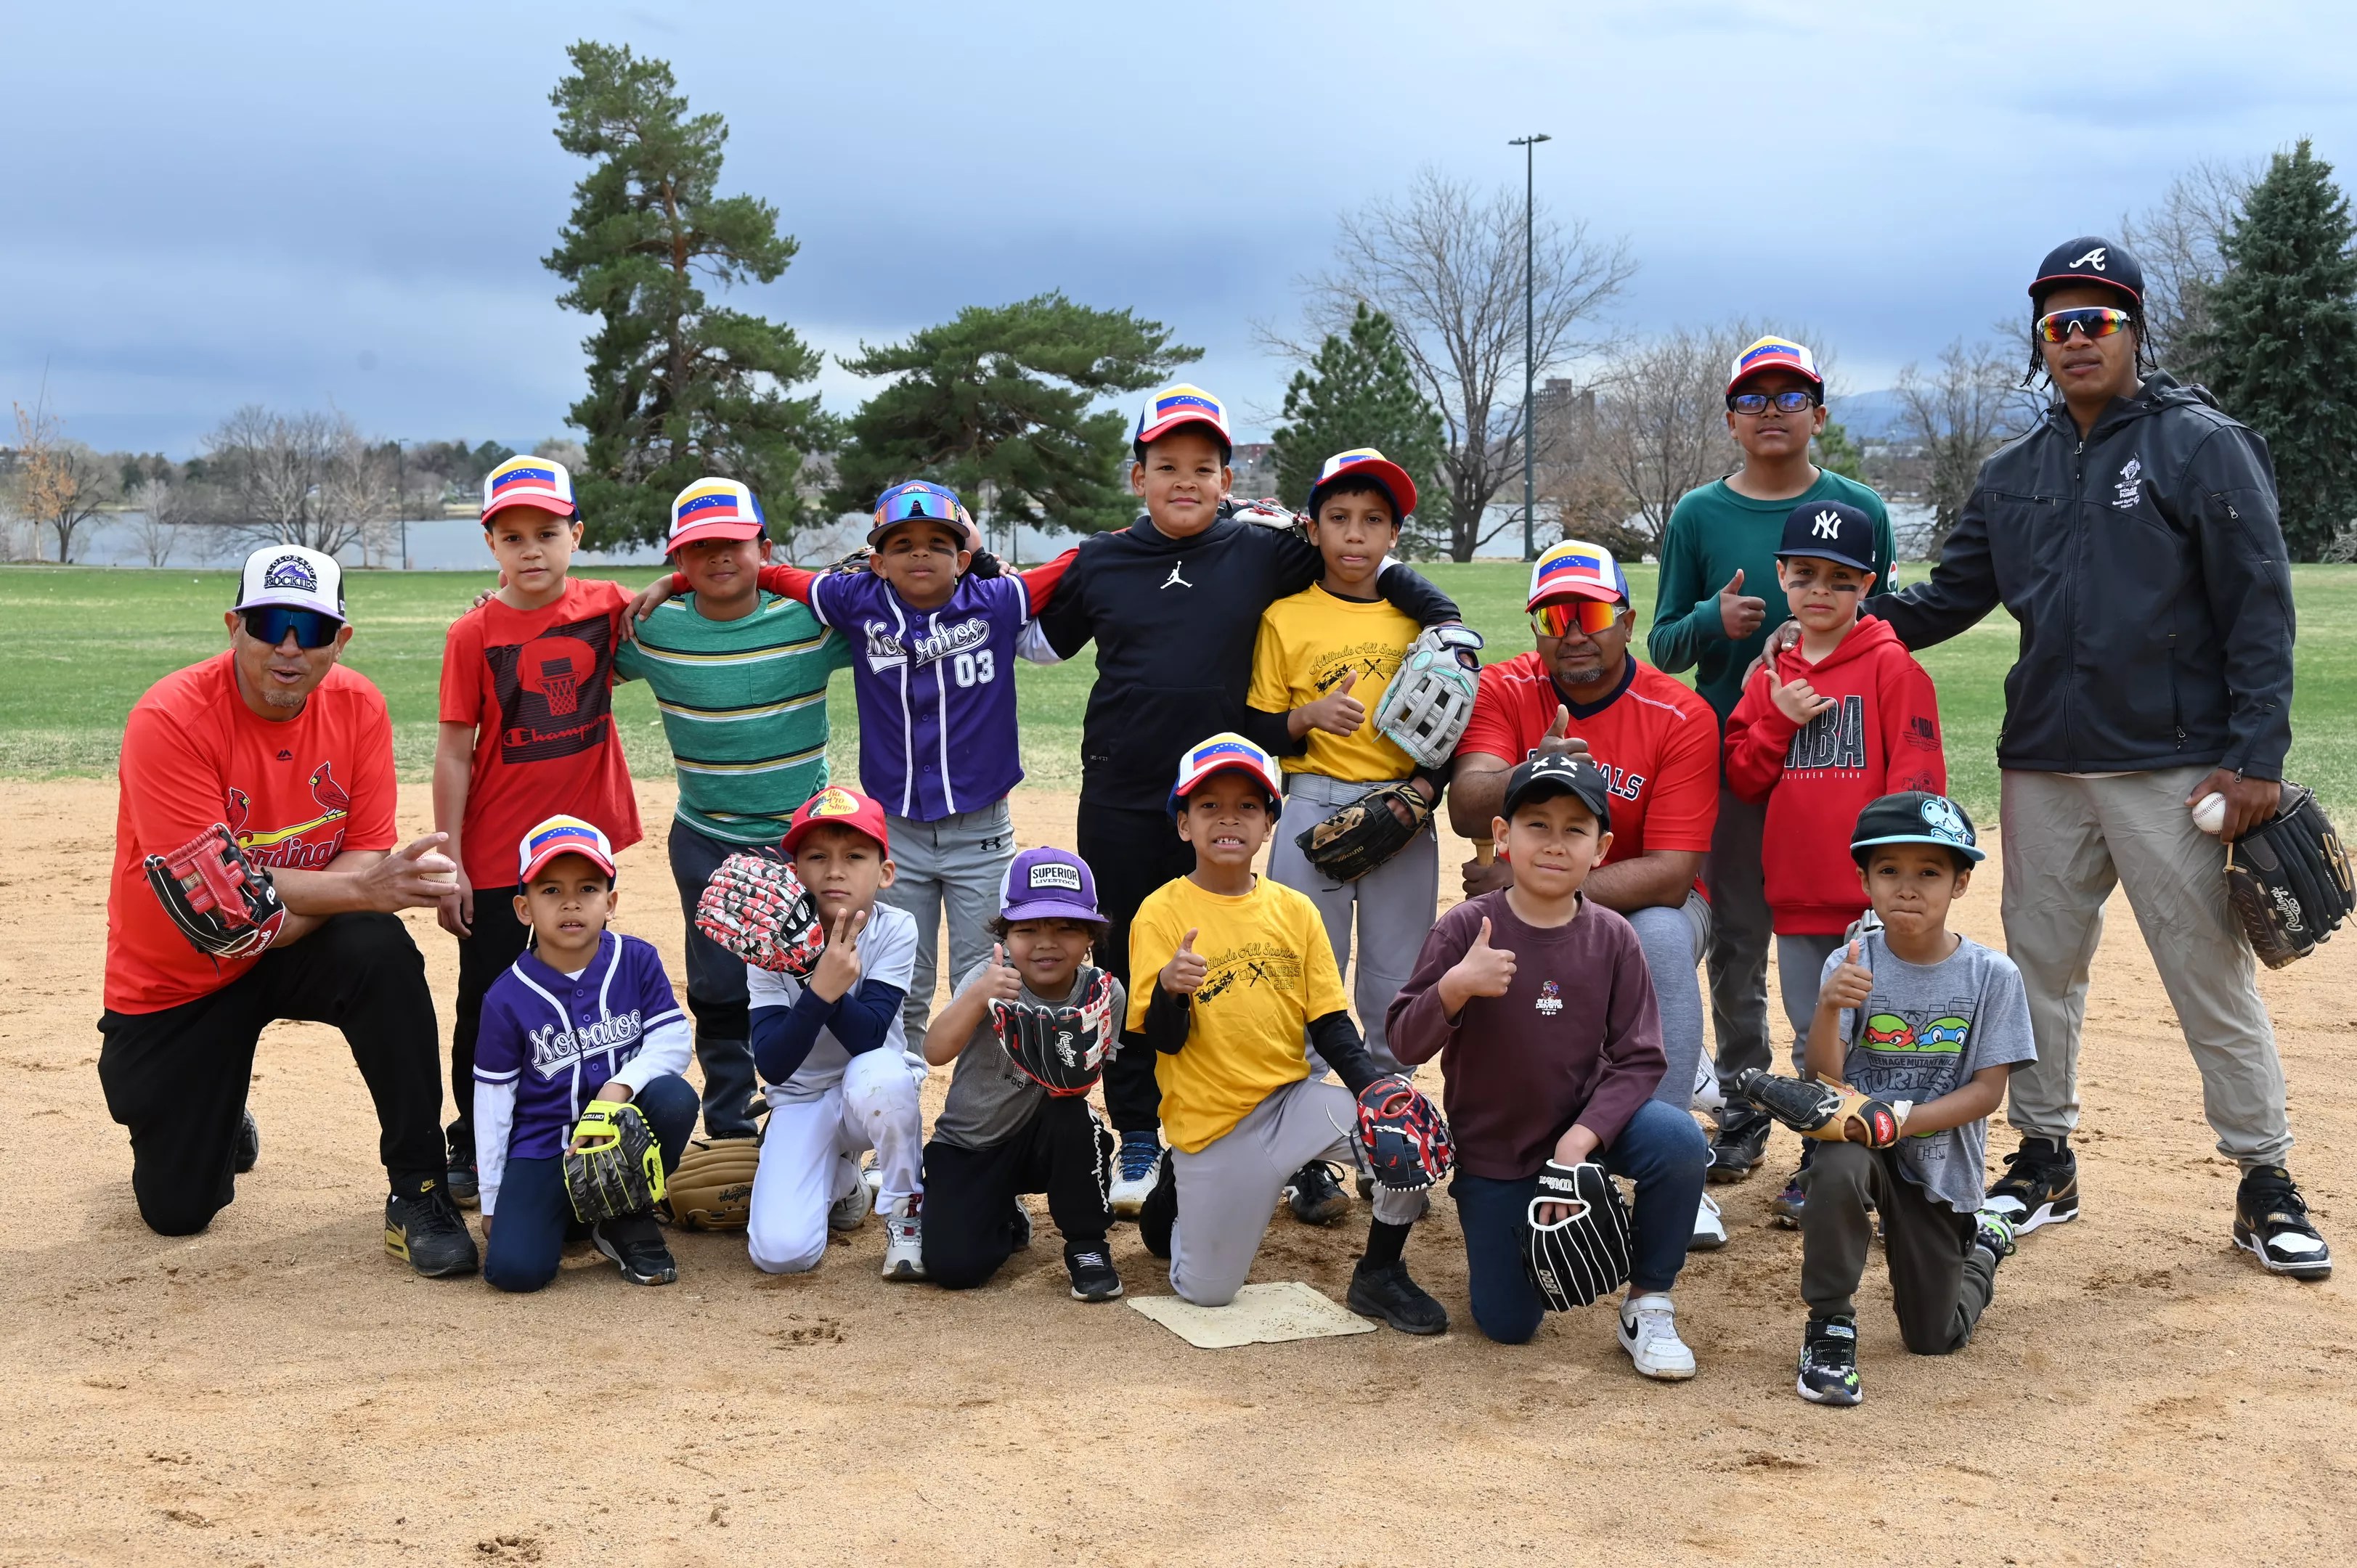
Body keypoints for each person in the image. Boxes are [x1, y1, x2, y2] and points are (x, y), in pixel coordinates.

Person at [1828, 236, 2327, 1277]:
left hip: (2170, 764)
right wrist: (1826, 613)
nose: (2074, 339)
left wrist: (2255, 757)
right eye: (2056, 323)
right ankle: (2043, 1155)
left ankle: (2263, 1177)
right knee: (2038, 974)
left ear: (2135, 330)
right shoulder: (2016, 472)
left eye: (2095, 319)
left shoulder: (2200, 446)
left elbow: (2257, 606)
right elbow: (1943, 600)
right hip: (2043, 765)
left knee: (2206, 971)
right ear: (2038, 344)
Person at [1037, 386, 1460, 1217]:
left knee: (1247, 963)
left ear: (1228, 478)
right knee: (1129, 965)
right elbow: (1039, 641)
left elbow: (1365, 556)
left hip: (1229, 797)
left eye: (1203, 467)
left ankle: (1291, 1131)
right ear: (1139, 476)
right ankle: (1140, 1130)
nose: (1185, 481)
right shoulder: (1102, 561)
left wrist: (1446, 619)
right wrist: (978, 571)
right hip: (1122, 790)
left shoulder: (1267, 552)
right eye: (1166, 466)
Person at [97, 545, 476, 1275]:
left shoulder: (358, 704)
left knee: (381, 953)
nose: (290, 647)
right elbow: (218, 903)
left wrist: (324, 904)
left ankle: (418, 1187)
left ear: (342, 639)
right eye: (271, 622)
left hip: (297, 941)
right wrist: (352, 896)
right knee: (177, 1210)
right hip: (179, 976)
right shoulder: (170, 718)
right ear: (235, 625)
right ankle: (218, 1109)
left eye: (313, 628)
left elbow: (361, 858)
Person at [633, 481, 1072, 1065]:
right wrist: (677, 579)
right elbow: (758, 572)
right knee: (900, 984)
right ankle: (896, 1118)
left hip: (983, 828)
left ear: (964, 556)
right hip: (896, 834)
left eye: (938, 543)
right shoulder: (855, 602)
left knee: (984, 978)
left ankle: (976, 1124)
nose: (919, 553)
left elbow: (1079, 564)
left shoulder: (994, 600)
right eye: (901, 543)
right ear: (877, 560)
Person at [1646, 337, 1900, 1186]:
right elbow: (1661, 646)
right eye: (1754, 399)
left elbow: (1884, 623)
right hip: (1738, 755)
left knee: (1849, 939)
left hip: (1841, 761)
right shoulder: (1698, 515)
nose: (1772, 413)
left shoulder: (1858, 503)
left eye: (1791, 397)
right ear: (1730, 419)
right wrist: (1716, 625)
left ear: (1819, 414)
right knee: (1744, 942)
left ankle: (1846, 1115)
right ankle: (1751, 1104)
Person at [1389, 754, 1710, 1377]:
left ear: (1602, 848)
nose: (1555, 844)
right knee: (1509, 1326)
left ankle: (1647, 1301)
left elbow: (1641, 1058)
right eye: (1537, 825)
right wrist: (1456, 986)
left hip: (1581, 1132)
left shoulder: (1614, 936)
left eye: (1575, 829)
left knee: (1678, 1140)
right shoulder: (1466, 928)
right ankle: (1521, 1217)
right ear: (1504, 836)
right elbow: (1404, 1042)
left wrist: (1578, 1144)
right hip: (1497, 1149)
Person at [1450, 541, 1723, 1246]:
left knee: (1658, 934)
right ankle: (1513, 1152)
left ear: (1628, 621)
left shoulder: (1680, 713)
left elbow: (1670, 870)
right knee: (1482, 943)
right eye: (1553, 616)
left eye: (1591, 612)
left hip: (1646, 901)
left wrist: (1540, 885)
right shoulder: (1507, 688)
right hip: (1536, 895)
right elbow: (1466, 805)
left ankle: (1670, 1161)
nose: (1571, 631)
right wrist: (1533, 767)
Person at [1127, 734, 1445, 1332]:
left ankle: (1379, 1273)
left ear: (1270, 823)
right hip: (1215, 1124)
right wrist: (1171, 987)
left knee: (1409, 1132)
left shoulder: (1293, 910)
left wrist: (1375, 1090)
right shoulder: (1162, 912)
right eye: (1209, 807)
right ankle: (1175, 1194)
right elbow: (1163, 1042)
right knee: (1208, 1295)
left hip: (1292, 1103)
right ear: (1183, 826)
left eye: (1248, 806)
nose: (1229, 819)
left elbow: (1328, 1022)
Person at [1722, 499, 1945, 1225]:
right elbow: (1745, 776)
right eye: (1806, 575)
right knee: (1813, 1034)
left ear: (1867, 585)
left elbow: (1916, 784)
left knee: (1885, 1034)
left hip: (1869, 903)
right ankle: (1826, 1154)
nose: (1821, 591)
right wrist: (1779, 716)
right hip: (1795, 893)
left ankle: (1896, 1164)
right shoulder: (1769, 674)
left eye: (1841, 580)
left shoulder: (1892, 668)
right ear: (1782, 576)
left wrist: (1901, 882)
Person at [1247, 446, 1451, 1223]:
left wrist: (1423, 792)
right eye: (1339, 519)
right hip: (1312, 803)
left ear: (1396, 532)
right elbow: (1257, 722)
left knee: (1395, 983)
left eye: (1374, 520)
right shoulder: (1286, 615)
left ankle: (1394, 1148)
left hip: (1402, 811)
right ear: (1314, 527)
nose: (1356, 535)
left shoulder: (1422, 620)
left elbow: (1457, 720)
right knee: (1307, 976)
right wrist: (1303, 718)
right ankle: (1307, 1154)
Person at [433, 456, 641, 1205]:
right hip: (494, 849)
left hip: (581, 846)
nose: (531, 550)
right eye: (512, 536)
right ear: (490, 546)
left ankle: (577, 1119)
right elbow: (455, 750)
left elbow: (672, 600)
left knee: (586, 984)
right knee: (486, 998)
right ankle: (468, 1135)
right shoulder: (473, 633)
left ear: (576, 534)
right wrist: (449, 859)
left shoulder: (606, 608)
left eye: (547, 533)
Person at [1788, 793, 2033, 1405]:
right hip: (1861, 1144)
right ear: (1864, 879)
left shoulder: (1992, 975)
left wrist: (1896, 1121)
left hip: (1939, 1157)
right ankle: (1830, 1325)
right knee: (1836, 1168)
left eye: (1929, 872)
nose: (1908, 888)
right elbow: (1825, 1080)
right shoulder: (1850, 961)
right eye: (1890, 871)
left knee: (1934, 1336)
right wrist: (1828, 1007)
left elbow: (1986, 1093)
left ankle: (1984, 1248)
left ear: (1961, 882)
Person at [474, 817, 699, 1292]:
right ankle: (580, 1215)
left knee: (675, 1099)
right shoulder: (506, 997)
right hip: (545, 1148)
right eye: (551, 890)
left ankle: (624, 1212)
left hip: (623, 1134)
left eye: (589, 888)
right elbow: (492, 1101)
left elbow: (674, 1041)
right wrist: (492, 1200)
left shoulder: (636, 960)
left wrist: (618, 1090)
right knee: (515, 1271)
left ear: (610, 903)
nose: (571, 902)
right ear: (524, 908)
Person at [918, 848, 1125, 1302]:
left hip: (1045, 1138)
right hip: (971, 1142)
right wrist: (979, 996)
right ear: (1005, 936)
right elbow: (934, 1052)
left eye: (1066, 928)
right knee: (956, 1267)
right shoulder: (990, 977)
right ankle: (1004, 1216)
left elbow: (1085, 1082)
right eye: (1027, 929)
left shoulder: (1101, 993)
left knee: (1076, 1119)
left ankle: (1087, 1244)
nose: (1046, 943)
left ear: (1090, 935)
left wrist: (1063, 1046)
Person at [744, 786, 928, 1279]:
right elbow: (774, 1064)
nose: (835, 870)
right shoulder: (763, 940)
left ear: (885, 872)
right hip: (800, 1097)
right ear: (795, 871)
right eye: (817, 856)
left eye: (855, 856)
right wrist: (815, 981)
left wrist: (821, 986)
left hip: (867, 1090)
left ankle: (906, 1212)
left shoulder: (895, 928)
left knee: (886, 1076)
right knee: (780, 1254)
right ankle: (846, 1182)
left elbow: (869, 1037)